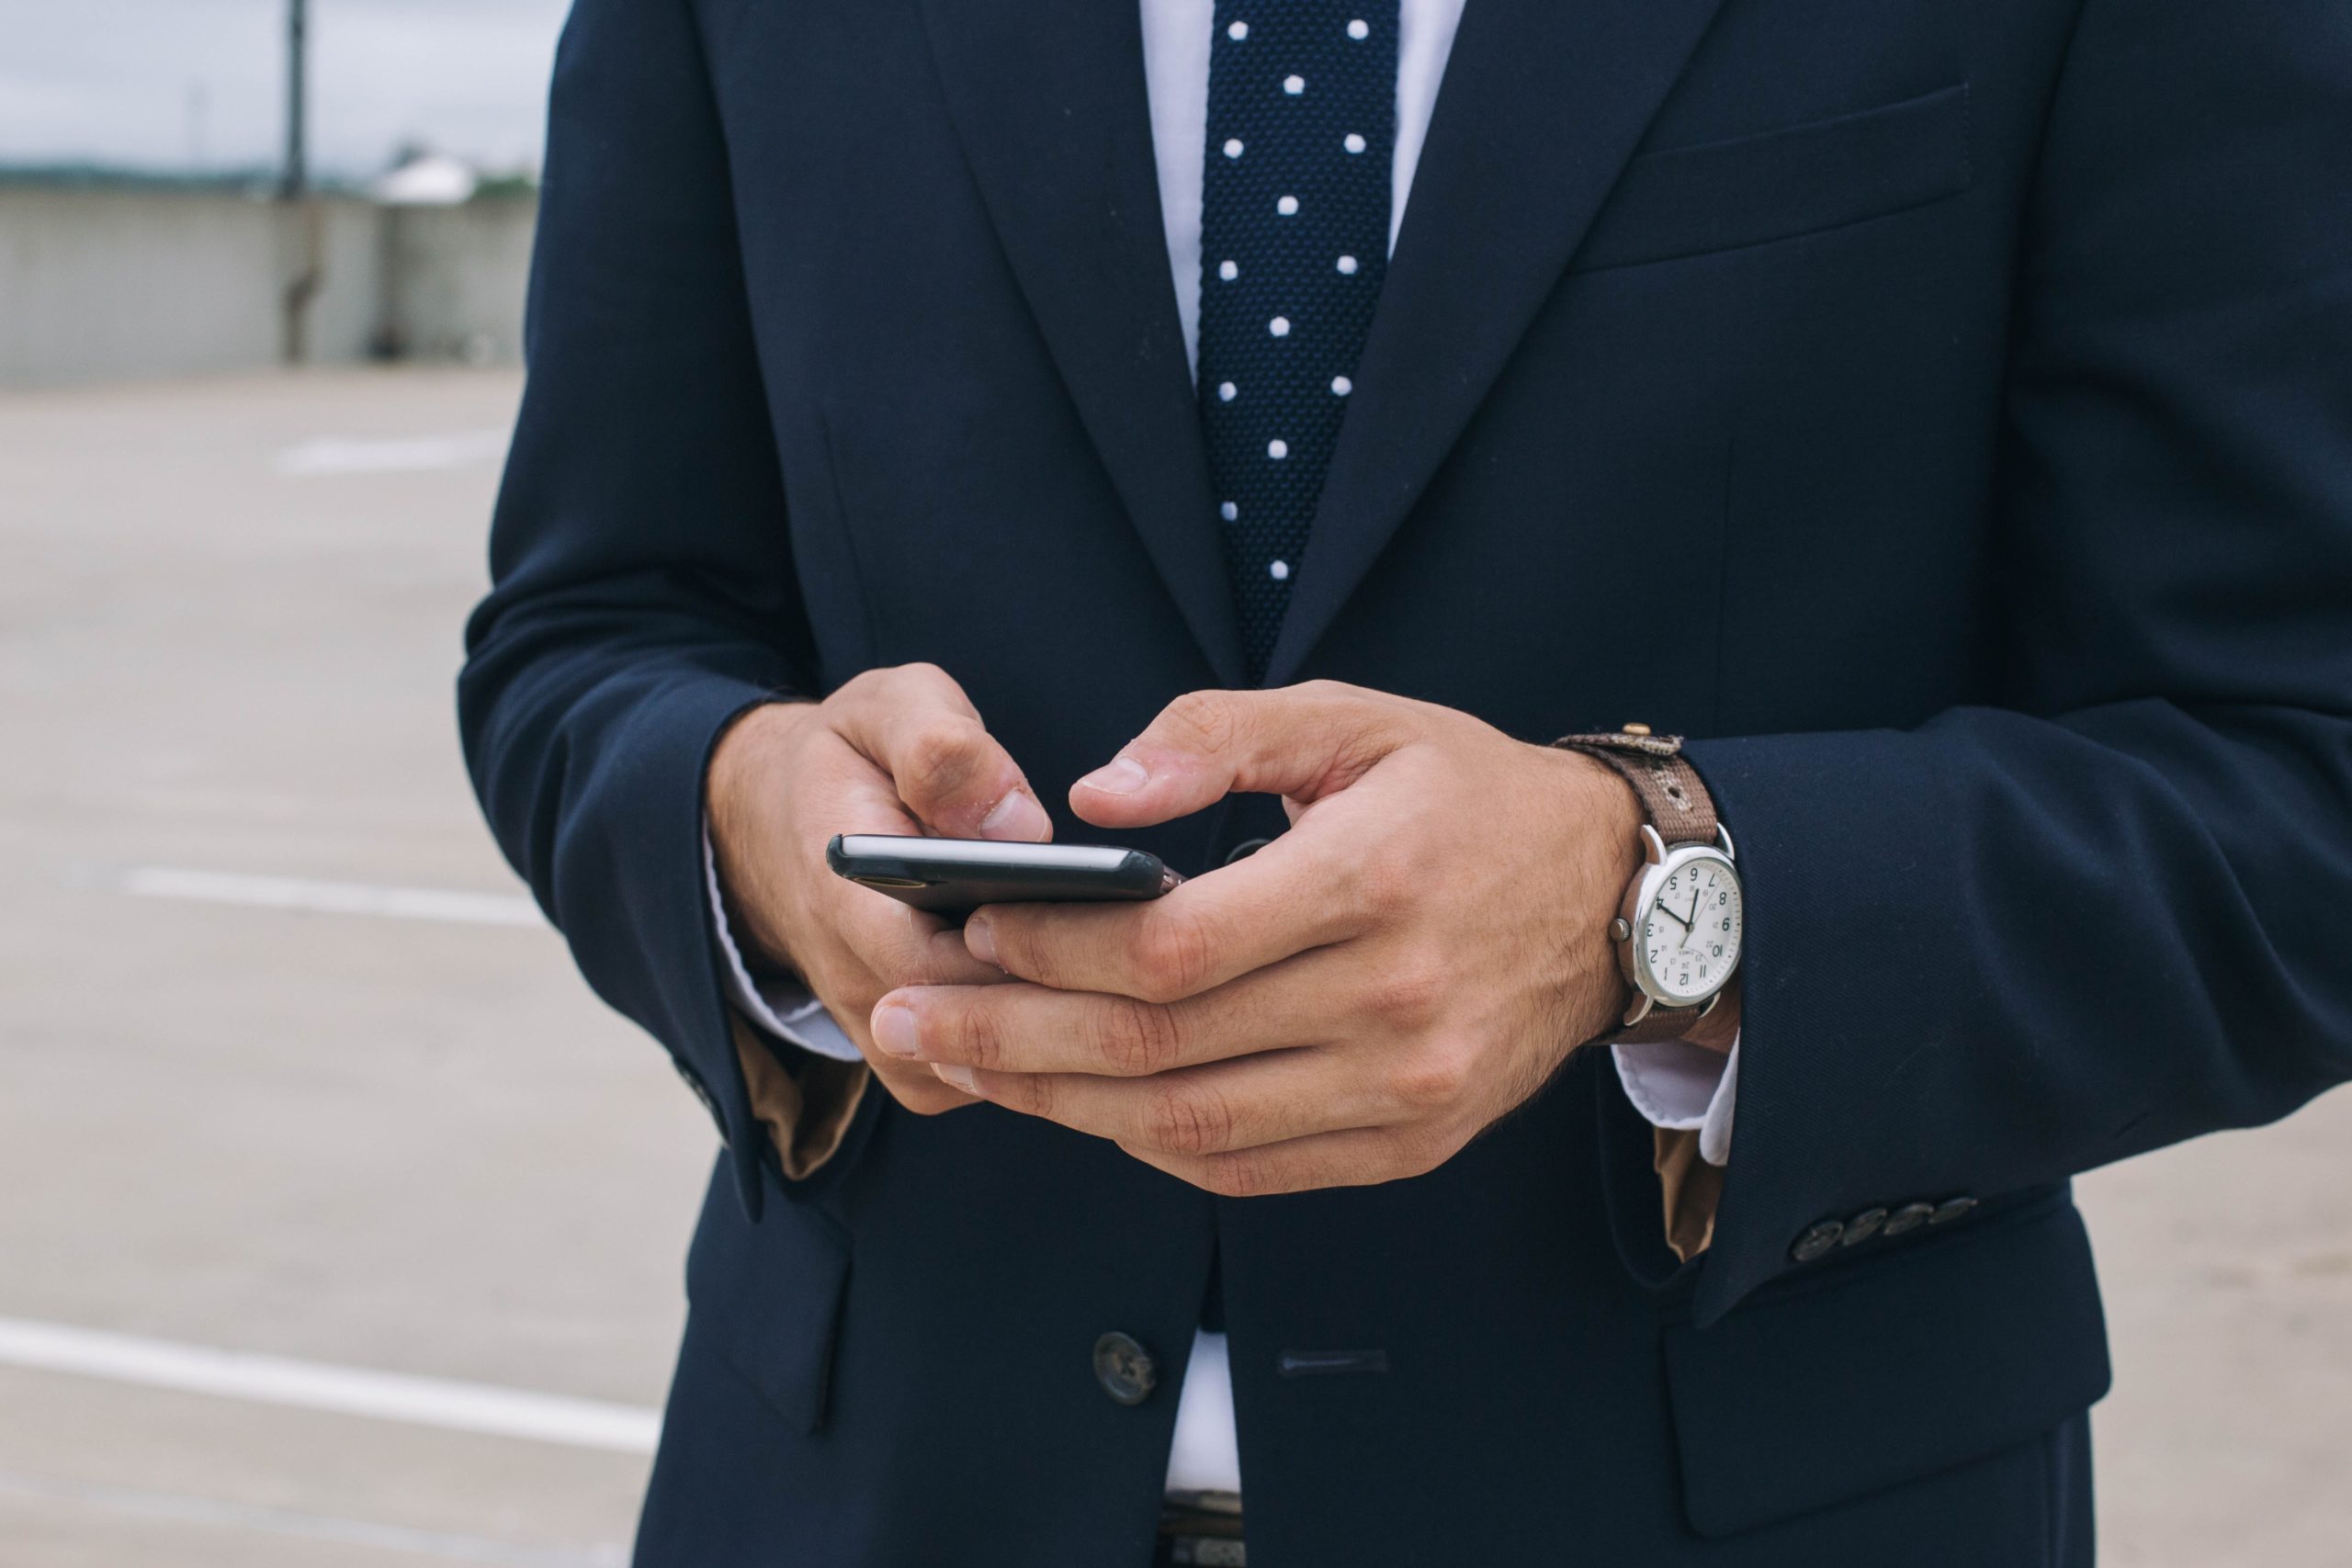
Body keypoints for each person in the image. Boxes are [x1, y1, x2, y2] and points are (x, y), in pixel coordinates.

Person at [459, 0, 2352, 1562]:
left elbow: (2291, 768)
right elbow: (590, 628)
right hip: (851, 1497)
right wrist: (742, 807)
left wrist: (1655, 897)